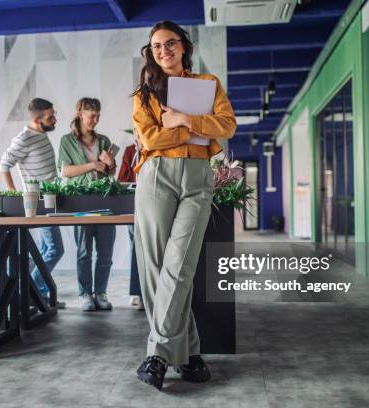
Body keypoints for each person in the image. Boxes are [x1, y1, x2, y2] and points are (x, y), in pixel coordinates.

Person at [132, 21, 236, 390]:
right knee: (156, 269)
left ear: (183, 47)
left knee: (180, 265)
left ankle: (158, 354)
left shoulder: (208, 85)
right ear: (152, 51)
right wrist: (195, 129)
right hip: (156, 176)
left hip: (197, 177)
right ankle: (189, 355)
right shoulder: (143, 94)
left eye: (170, 43)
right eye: (156, 46)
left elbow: (227, 126)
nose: (164, 51)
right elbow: (149, 138)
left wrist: (183, 119)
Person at [0, 98, 65, 309]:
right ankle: (29, 293)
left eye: (53, 114)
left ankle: (39, 296)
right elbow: (3, 165)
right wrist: (13, 194)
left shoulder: (41, 133)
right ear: (37, 119)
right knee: (55, 250)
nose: (55, 119)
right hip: (38, 203)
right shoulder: (24, 139)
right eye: (50, 116)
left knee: (46, 250)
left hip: (50, 200)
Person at [58, 97, 117, 312]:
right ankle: (85, 294)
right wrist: (93, 164)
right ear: (81, 113)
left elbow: (110, 172)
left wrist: (110, 165)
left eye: (98, 115)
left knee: (106, 252)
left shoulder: (103, 140)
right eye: (92, 116)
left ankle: (100, 293)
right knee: (84, 252)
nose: (95, 120)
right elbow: (65, 171)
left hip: (104, 199)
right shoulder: (67, 141)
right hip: (81, 201)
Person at [117, 128, 143, 311]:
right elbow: (122, 180)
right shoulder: (130, 151)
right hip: (135, 207)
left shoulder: (159, 148)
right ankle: (139, 293)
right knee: (137, 248)